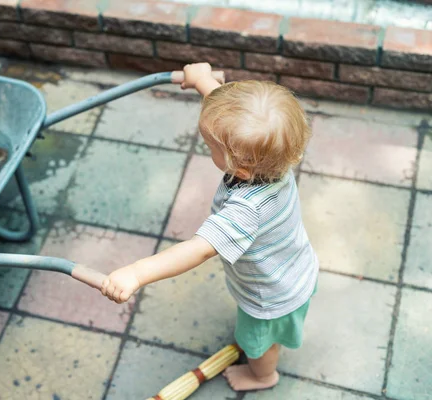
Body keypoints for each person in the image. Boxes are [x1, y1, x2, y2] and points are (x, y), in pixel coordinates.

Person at [100, 63, 319, 391]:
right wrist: (202, 80)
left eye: (211, 147)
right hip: (293, 267)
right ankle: (263, 354)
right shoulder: (275, 157)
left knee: (261, 346)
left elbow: (197, 249)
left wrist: (136, 273)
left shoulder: (247, 211)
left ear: (241, 169)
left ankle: (262, 375)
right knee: (261, 337)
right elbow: (231, 115)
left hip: (269, 297)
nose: (209, 148)